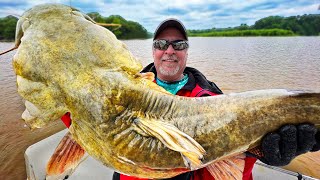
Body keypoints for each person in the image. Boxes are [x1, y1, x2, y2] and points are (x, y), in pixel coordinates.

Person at [111, 18, 320, 180]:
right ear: (153, 49)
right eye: (162, 43)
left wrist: (258, 152)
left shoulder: (214, 99)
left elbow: (230, 172)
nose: (170, 50)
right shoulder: (120, 94)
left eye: (179, 44)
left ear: (187, 51)